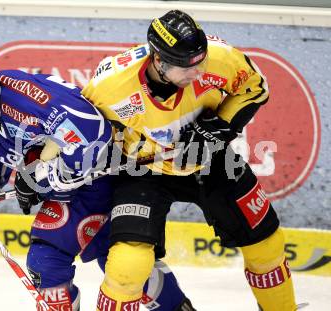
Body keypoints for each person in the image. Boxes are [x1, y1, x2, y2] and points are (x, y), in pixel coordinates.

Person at [0, 48, 195, 310]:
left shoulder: (28, 98)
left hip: (101, 179)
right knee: (66, 262)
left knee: (96, 263)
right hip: (73, 189)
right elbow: (1, 154)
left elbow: (94, 135)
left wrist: (42, 176)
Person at [82, 10, 296, 311]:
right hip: (144, 169)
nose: (198, 73)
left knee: (266, 244)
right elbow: (80, 130)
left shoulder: (220, 57)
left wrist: (217, 129)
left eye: (202, 62)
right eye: (186, 68)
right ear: (159, 60)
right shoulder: (110, 85)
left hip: (210, 159)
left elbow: (254, 88)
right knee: (127, 265)